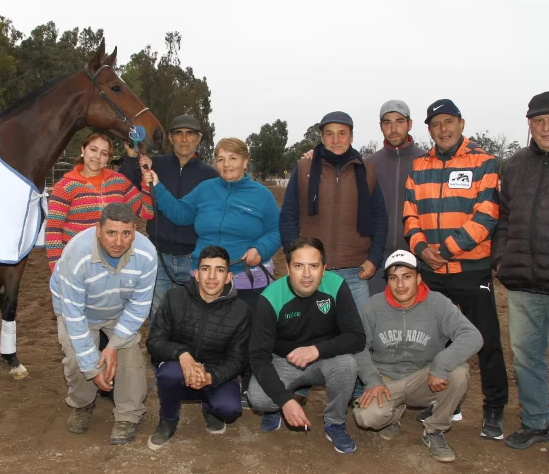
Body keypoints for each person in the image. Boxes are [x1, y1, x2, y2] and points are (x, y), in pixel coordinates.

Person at [403, 99, 509, 439]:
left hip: (470, 269)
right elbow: (410, 214)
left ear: (461, 124)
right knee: (435, 340)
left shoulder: (484, 161)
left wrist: (446, 250)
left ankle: (494, 409)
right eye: (436, 124)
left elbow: (487, 215)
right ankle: (446, 401)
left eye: (449, 122)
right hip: (431, 270)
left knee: (485, 340)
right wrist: (420, 249)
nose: (443, 129)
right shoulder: (419, 166)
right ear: (429, 130)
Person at [352, 250, 482, 462]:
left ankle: (434, 430)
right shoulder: (373, 306)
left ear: (419, 278)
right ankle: (392, 416)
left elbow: (473, 336)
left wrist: (440, 365)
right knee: (366, 417)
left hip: (425, 379)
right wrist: (372, 380)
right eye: (393, 278)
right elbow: (358, 346)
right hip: (386, 381)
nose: (400, 284)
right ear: (387, 281)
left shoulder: (438, 304)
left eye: (407, 276)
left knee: (458, 372)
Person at [50, 203, 157, 445]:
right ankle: (82, 404)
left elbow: (140, 305)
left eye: (126, 233)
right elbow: (73, 315)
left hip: (119, 308)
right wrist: (92, 369)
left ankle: (128, 416)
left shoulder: (147, 254)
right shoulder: (75, 255)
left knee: (130, 358)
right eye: (111, 233)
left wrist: (114, 345)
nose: (119, 241)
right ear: (98, 230)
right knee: (78, 358)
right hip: (79, 311)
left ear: (135, 231)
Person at [247, 238, 365, 454]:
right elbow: (258, 357)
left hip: (324, 358)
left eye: (314, 266)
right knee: (259, 399)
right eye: (299, 266)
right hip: (284, 361)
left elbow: (357, 337)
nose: (307, 274)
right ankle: (279, 404)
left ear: (324, 268)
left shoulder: (337, 285)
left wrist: (316, 350)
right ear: (288, 268)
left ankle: (335, 423)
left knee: (347, 364)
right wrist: (284, 401)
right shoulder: (270, 297)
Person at [493, 91, 549, 463]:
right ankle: (535, 422)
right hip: (521, 281)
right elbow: (502, 218)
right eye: (539, 121)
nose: (546, 127)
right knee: (525, 357)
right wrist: (501, 260)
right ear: (529, 124)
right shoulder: (515, 165)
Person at [142, 137, 280, 310]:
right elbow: (180, 213)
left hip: (245, 280)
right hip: (203, 279)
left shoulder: (262, 195)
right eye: (221, 159)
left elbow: (277, 229)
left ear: (246, 161)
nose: (226, 164)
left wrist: (261, 250)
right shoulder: (205, 189)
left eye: (233, 158)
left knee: (243, 332)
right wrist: (157, 186)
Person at [280, 111, 388, 314]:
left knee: (359, 337)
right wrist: (294, 255)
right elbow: (288, 215)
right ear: (321, 138)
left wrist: (374, 259)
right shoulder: (304, 168)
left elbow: (380, 218)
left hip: (355, 273)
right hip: (311, 270)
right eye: (329, 134)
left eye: (342, 133)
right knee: (312, 335)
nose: (336, 140)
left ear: (352, 136)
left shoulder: (367, 171)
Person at [145, 246, 250, 450]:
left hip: (215, 373)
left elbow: (238, 360)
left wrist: (210, 376)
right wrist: (182, 354)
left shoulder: (241, 310)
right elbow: (154, 342)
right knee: (168, 374)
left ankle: (210, 408)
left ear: (229, 277)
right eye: (205, 269)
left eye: (219, 270)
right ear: (196, 274)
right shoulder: (175, 298)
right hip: (179, 367)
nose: (211, 276)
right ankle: (168, 420)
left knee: (230, 410)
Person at [119, 115, 218, 319]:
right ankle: (159, 351)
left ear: (198, 139)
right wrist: (130, 157)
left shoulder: (210, 175)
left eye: (190, 134)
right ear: (171, 138)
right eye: (178, 134)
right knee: (158, 312)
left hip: (193, 257)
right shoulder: (154, 164)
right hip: (158, 252)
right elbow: (124, 185)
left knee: (191, 314)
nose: (184, 139)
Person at [45, 132, 153, 271]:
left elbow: (146, 213)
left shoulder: (119, 181)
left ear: (108, 158)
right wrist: (57, 268)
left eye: (104, 153)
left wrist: (145, 182)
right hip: (77, 263)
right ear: (83, 150)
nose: (97, 157)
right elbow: (53, 230)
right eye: (93, 149)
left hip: (113, 262)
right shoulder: (65, 186)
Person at [365, 101, 426, 295]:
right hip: (377, 259)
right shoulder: (368, 165)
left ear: (410, 124)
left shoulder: (426, 162)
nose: (393, 128)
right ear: (380, 125)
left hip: (418, 257)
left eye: (399, 121)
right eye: (387, 122)